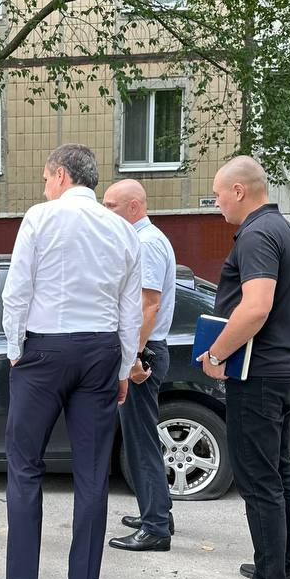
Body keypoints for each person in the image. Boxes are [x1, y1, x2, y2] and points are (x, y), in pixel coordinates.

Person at [0, 144, 142, 579]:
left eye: (44, 176)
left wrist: (16, 350)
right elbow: (130, 308)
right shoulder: (122, 230)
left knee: (24, 464)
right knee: (93, 470)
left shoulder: (40, 218)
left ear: (60, 175)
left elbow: (17, 289)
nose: (43, 185)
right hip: (99, 350)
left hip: (44, 349)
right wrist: (122, 367)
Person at [199, 156, 290, 579]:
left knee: (259, 480)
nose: (217, 203)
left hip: (258, 374)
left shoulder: (258, 234)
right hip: (281, 371)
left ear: (239, 190)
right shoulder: (282, 228)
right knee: (279, 471)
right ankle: (284, 570)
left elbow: (256, 307)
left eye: (219, 194)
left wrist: (218, 353)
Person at [103, 179, 177, 552]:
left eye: (112, 206)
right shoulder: (148, 239)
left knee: (140, 443)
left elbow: (149, 306)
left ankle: (156, 528)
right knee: (144, 437)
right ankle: (159, 510)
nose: (106, 211)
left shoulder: (145, 244)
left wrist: (132, 357)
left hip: (144, 354)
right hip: (148, 349)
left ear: (134, 207)